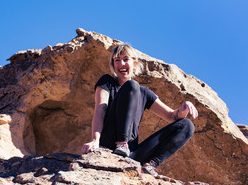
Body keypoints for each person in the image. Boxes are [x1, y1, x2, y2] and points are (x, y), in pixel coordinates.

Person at [81, 44, 198, 177]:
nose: (121, 63)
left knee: (186, 125)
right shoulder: (107, 82)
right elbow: (100, 109)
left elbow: (172, 116)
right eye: (117, 60)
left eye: (126, 59)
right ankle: (121, 143)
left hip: (131, 154)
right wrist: (95, 140)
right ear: (113, 65)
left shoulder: (144, 92)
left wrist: (184, 107)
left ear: (134, 63)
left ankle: (150, 165)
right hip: (108, 144)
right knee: (131, 86)